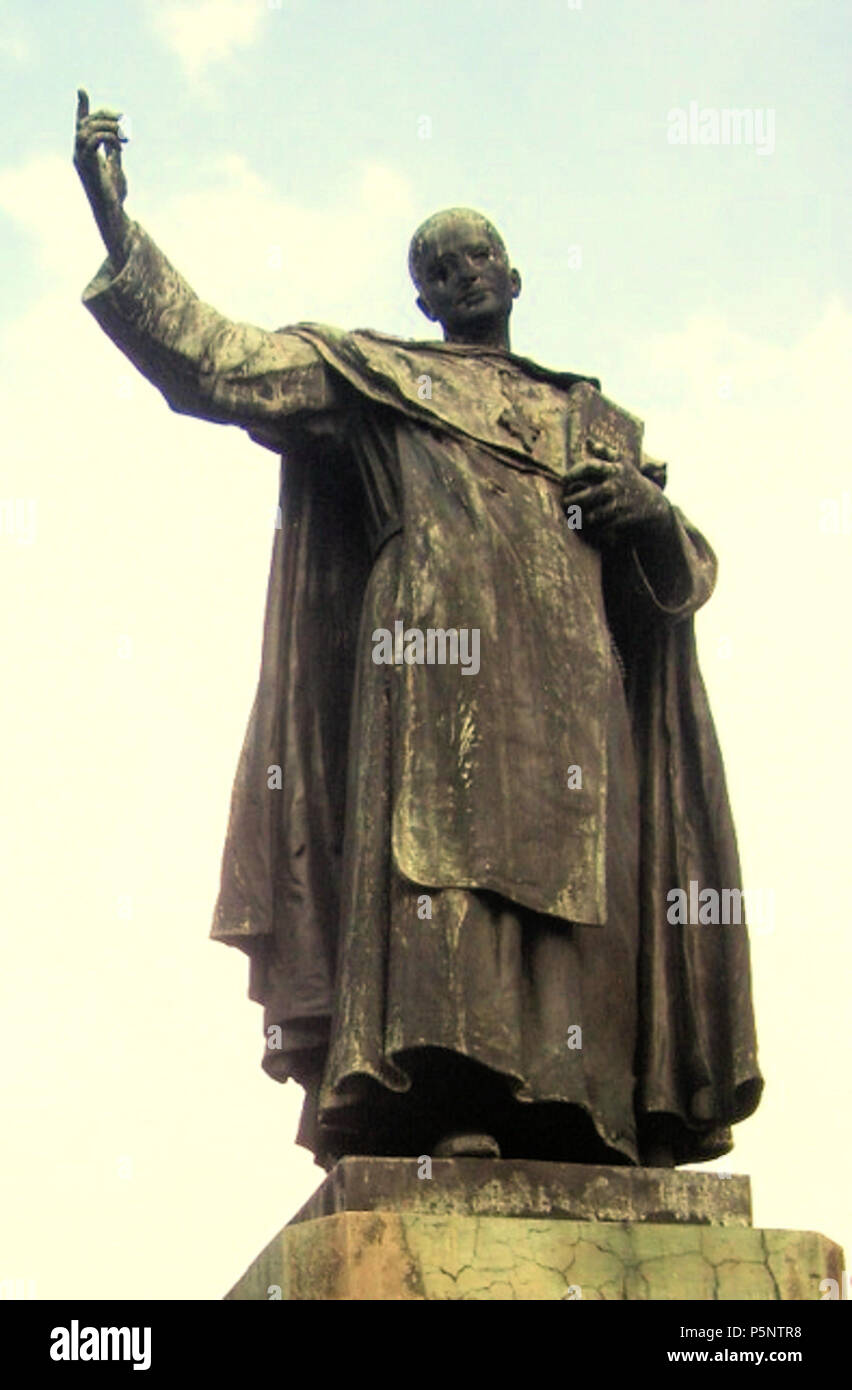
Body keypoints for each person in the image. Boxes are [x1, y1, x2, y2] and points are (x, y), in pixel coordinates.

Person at [75, 91, 763, 1170]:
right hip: (435, 687)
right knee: (446, 887)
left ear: (513, 274)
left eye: (474, 253)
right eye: (434, 265)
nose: (457, 272)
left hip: (576, 694)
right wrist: (120, 227)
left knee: (587, 893)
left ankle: (588, 1113)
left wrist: (649, 514)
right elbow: (219, 363)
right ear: (420, 296)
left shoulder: (592, 419)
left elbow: (669, 585)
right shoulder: (381, 380)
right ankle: (450, 1098)